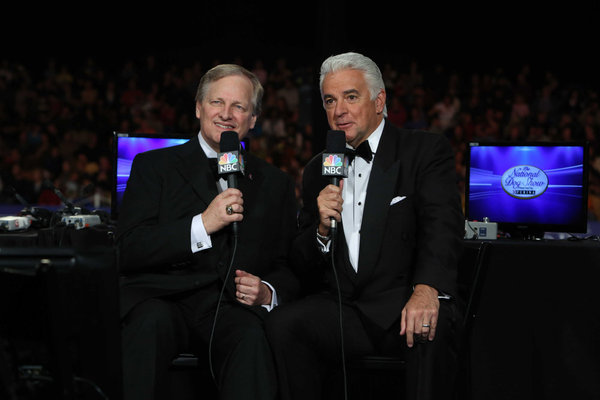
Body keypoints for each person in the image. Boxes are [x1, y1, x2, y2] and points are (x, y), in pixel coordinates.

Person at [266, 52, 464, 400]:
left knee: (428, 327)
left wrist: (427, 289)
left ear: (379, 101)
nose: (338, 110)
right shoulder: (318, 169)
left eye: (350, 96)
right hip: (347, 309)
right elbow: (302, 261)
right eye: (330, 100)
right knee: (284, 325)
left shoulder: (423, 150)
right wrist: (322, 232)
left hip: (403, 301)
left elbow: (442, 226)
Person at [116, 64, 299, 400]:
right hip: (163, 299)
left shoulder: (276, 183)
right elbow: (128, 248)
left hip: (230, 310)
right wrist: (202, 224)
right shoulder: (153, 167)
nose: (226, 114)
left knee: (253, 336)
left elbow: (289, 263)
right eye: (217, 103)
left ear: (253, 119)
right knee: (147, 326)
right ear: (199, 108)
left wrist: (268, 291)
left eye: (239, 107)